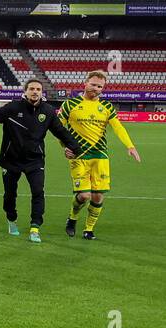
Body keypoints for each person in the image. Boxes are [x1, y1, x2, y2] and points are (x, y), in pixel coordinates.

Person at [0, 79, 80, 242]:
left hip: (34, 160)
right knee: (9, 195)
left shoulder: (48, 111)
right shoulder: (13, 108)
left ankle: (35, 227)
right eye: (32, 89)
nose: (35, 91)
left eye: (38, 89)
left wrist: (76, 149)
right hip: (11, 160)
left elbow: (61, 132)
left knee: (38, 192)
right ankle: (11, 219)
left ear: (42, 92)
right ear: (26, 91)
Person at [59, 70, 142, 240]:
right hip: (78, 155)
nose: (96, 88)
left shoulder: (107, 106)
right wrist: (64, 146)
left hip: (100, 155)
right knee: (84, 195)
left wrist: (130, 146)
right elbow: (58, 128)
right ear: (85, 83)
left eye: (100, 86)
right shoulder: (70, 104)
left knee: (97, 196)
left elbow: (118, 126)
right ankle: (72, 218)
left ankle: (89, 229)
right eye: (93, 84)